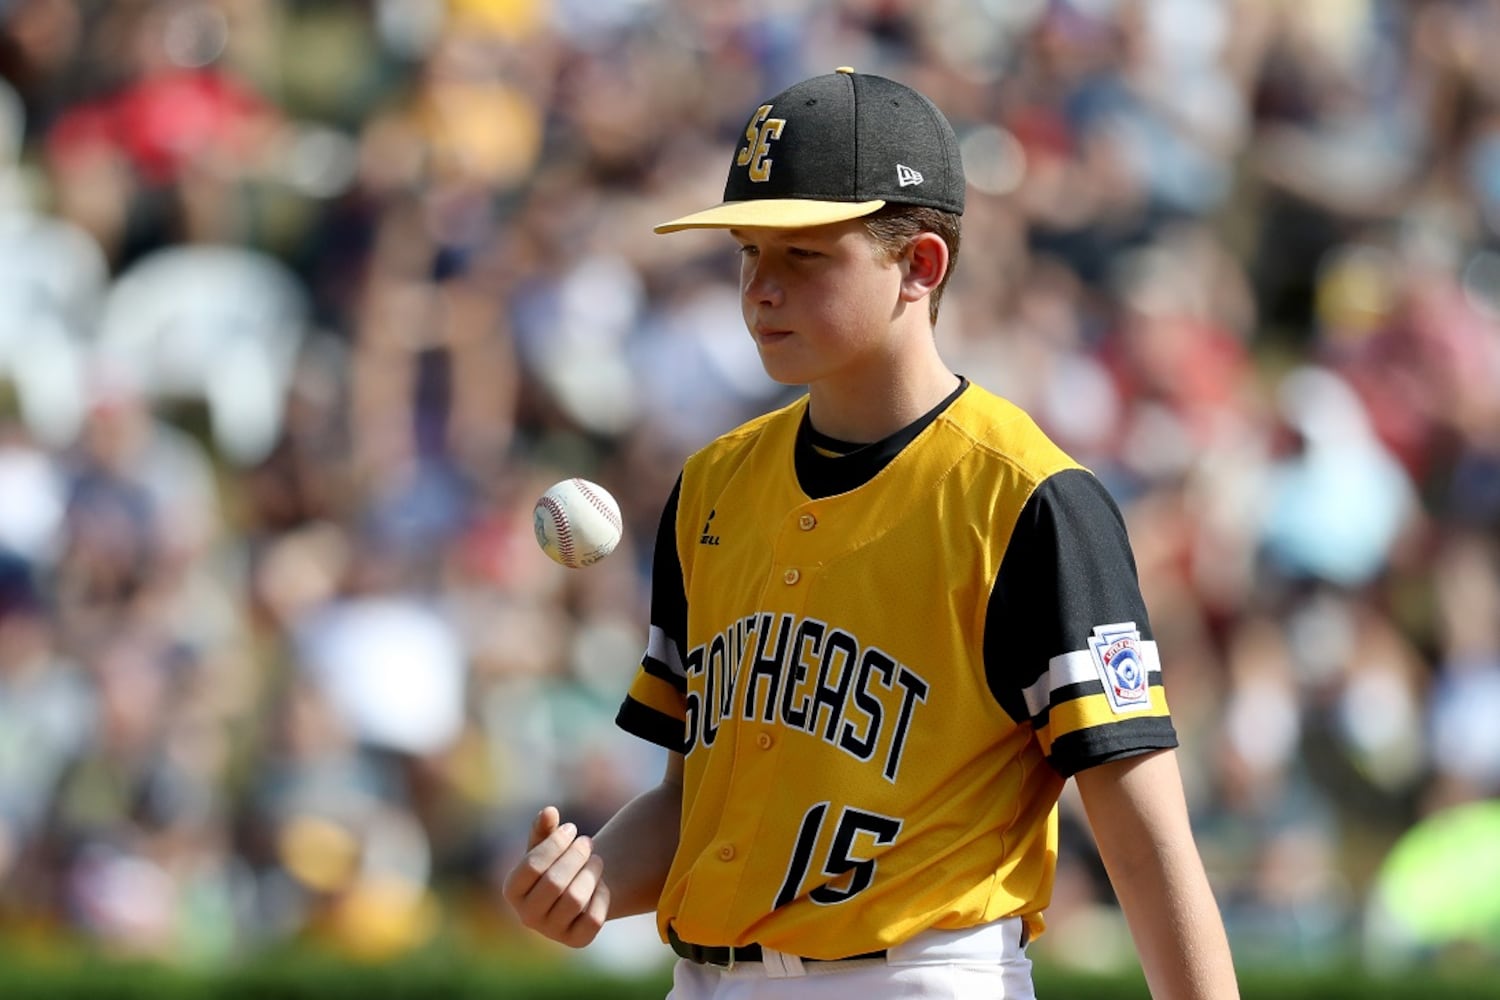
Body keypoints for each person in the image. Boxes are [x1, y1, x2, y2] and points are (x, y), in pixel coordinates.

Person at [503, 66, 1241, 1000]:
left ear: (920, 265)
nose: (760, 289)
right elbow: (697, 801)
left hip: (917, 976)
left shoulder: (1028, 498)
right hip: (706, 981)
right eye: (746, 251)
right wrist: (599, 876)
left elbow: (1144, 838)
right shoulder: (712, 487)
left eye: (803, 255)